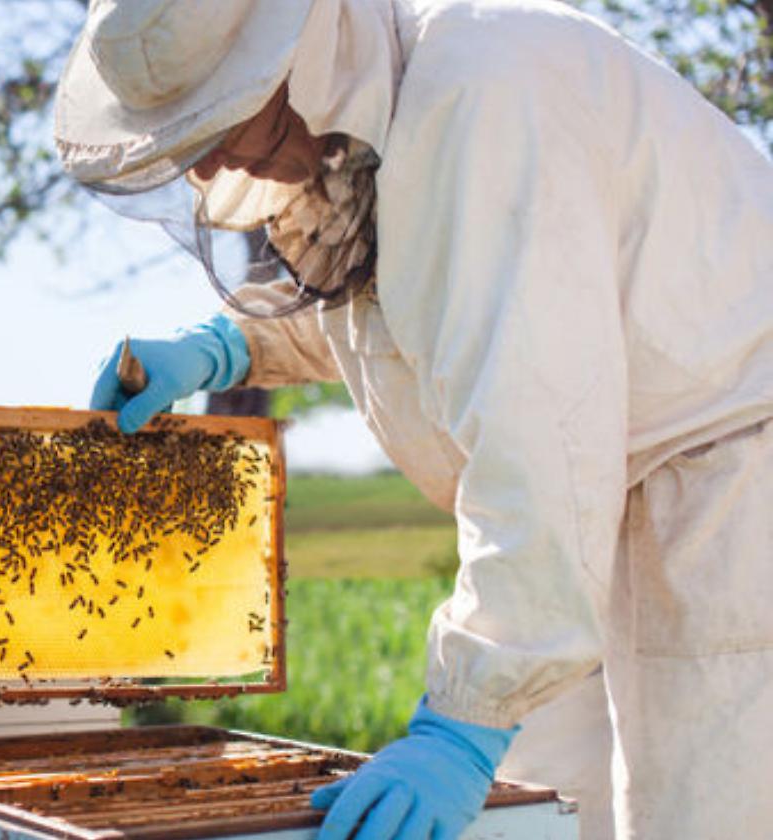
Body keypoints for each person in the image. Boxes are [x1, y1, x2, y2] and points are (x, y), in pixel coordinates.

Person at [55, 1, 773, 838]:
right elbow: (409, 292)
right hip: (592, 506)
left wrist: (463, 726)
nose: (207, 165)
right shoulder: (376, 110)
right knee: (543, 808)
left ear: (291, 63)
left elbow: (540, 421)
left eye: (216, 121)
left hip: (727, 491)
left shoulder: (485, 92)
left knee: (703, 816)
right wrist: (231, 345)